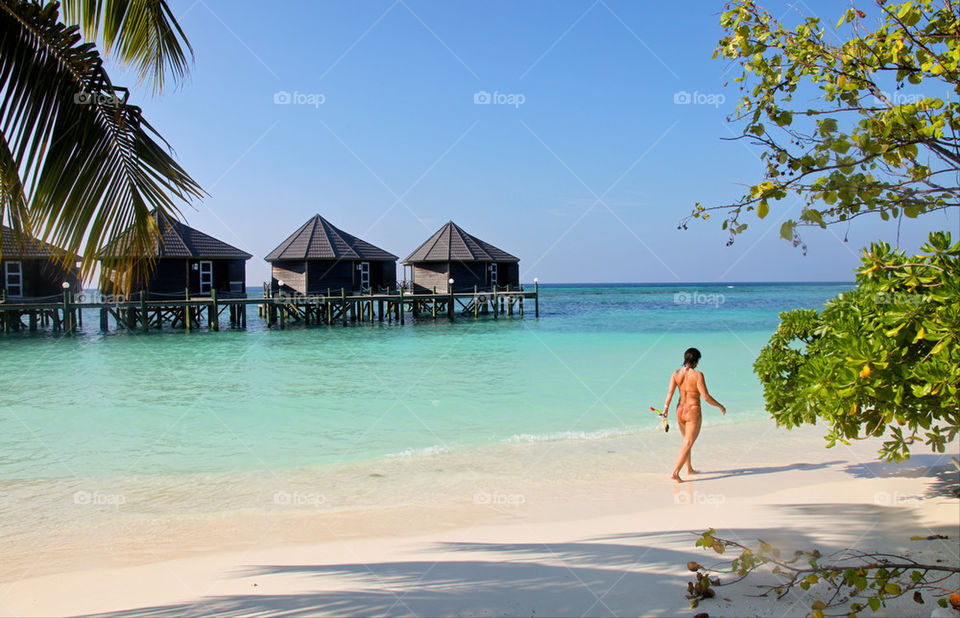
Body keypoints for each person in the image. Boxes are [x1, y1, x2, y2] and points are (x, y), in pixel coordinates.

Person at [662, 347, 725, 482]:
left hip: (679, 410)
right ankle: (675, 472)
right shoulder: (698, 375)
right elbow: (706, 397)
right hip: (692, 410)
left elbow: (670, 393)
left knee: (686, 441)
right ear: (696, 361)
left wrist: (665, 409)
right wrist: (720, 406)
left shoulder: (676, 373)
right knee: (688, 442)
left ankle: (689, 469)